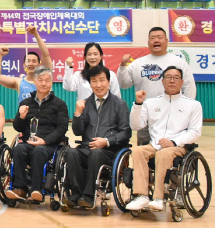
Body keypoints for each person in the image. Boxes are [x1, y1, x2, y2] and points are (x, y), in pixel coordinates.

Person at [126, 66, 202, 211]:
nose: (172, 81)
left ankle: (159, 198)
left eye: (176, 78)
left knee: (163, 153)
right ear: (162, 81)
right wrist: (138, 104)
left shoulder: (193, 105)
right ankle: (141, 195)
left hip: (178, 146)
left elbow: (195, 132)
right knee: (138, 151)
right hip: (154, 145)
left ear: (181, 81)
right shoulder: (151, 103)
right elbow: (136, 125)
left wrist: (173, 142)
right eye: (168, 77)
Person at [64, 66, 131, 208]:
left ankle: (88, 196)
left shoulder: (120, 104)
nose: (98, 85)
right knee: (70, 152)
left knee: (96, 153)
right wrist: (77, 114)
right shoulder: (85, 104)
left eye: (102, 80)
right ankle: (77, 193)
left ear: (109, 82)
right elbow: (77, 131)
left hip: (109, 151)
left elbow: (126, 132)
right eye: (94, 81)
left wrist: (106, 141)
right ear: (90, 84)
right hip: (87, 148)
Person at [118, 27, 196, 145]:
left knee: (169, 150)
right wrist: (123, 66)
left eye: (159, 38)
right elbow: (124, 84)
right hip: (146, 117)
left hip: (173, 115)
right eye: (152, 38)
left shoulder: (178, 62)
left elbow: (189, 87)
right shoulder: (138, 63)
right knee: (144, 150)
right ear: (148, 42)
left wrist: (185, 111)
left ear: (167, 41)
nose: (156, 40)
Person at [5, 65, 68, 202]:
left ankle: (36, 189)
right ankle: (20, 188)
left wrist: (45, 141)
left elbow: (62, 128)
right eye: (40, 80)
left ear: (51, 82)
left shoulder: (59, 104)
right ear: (35, 81)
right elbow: (17, 127)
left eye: (47, 80)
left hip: (49, 145)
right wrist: (21, 117)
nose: (44, 83)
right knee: (19, 149)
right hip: (29, 142)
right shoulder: (26, 102)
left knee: (39, 151)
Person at [0, 26, 53, 105]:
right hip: (26, 117)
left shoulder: (46, 78)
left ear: (39, 65)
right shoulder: (19, 82)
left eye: (34, 61)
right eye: (28, 61)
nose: (31, 63)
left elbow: (46, 55)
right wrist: (0, 55)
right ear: (24, 65)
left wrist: (36, 35)